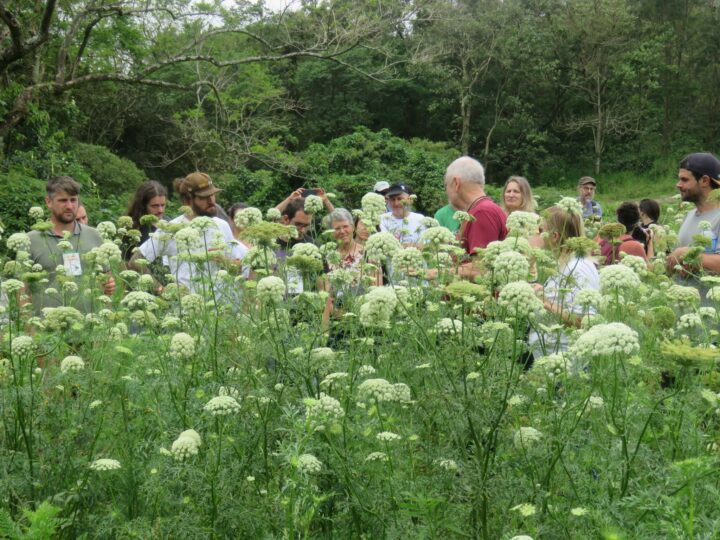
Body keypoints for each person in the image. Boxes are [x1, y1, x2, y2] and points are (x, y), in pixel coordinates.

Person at [132, 172, 246, 293]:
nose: (211, 201)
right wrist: (161, 289)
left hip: (221, 308)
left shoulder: (222, 225)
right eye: (203, 197)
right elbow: (135, 262)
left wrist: (226, 261)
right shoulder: (172, 229)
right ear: (187, 200)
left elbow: (240, 268)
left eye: (212, 195)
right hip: (188, 308)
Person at [28, 176, 114, 312]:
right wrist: (29, 329)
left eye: (73, 200)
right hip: (46, 330)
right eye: (63, 200)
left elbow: (108, 284)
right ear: (48, 202)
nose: (69, 206)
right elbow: (21, 292)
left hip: (90, 328)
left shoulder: (94, 235)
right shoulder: (31, 240)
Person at [530, 206, 600, 357]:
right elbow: (566, 301)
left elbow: (584, 321)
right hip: (552, 356)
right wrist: (544, 292)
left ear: (555, 236)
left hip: (564, 361)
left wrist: (545, 302)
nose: (538, 234)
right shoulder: (567, 263)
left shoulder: (578, 268)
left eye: (541, 230)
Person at [666, 152, 720, 280]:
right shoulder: (689, 215)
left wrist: (684, 253)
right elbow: (677, 263)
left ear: (704, 181)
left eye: (685, 180)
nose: (678, 185)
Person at [444, 156, 507, 258]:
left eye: (446, 185)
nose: (446, 191)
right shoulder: (481, 209)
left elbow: (480, 268)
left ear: (456, 183)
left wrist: (432, 273)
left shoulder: (482, 212)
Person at [124, 180, 168, 260]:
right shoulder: (133, 228)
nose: (160, 210)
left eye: (163, 205)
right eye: (155, 206)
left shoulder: (170, 224)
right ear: (143, 205)